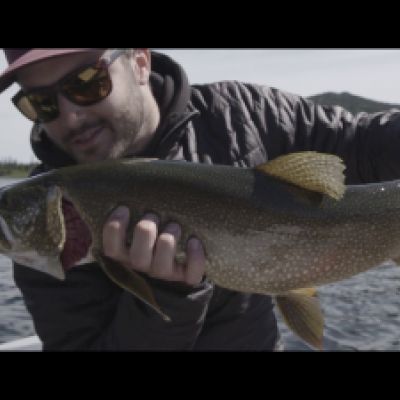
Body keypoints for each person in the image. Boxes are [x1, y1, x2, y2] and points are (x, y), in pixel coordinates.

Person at [1, 48, 399, 351]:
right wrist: (170, 298)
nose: (70, 116)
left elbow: (365, 141)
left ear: (140, 62)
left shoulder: (242, 115)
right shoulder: (42, 234)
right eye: (41, 103)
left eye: (87, 83)